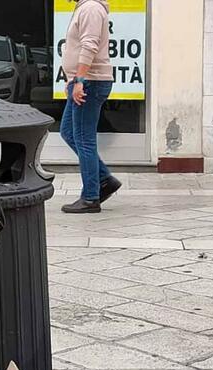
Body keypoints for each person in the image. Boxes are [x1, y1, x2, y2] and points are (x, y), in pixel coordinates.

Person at [59, 0, 121, 214]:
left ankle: (90, 197)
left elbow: (90, 44)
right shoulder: (84, 7)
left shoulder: (91, 8)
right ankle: (104, 179)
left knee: (84, 139)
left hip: (89, 83)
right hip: (85, 81)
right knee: (68, 132)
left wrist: (80, 80)